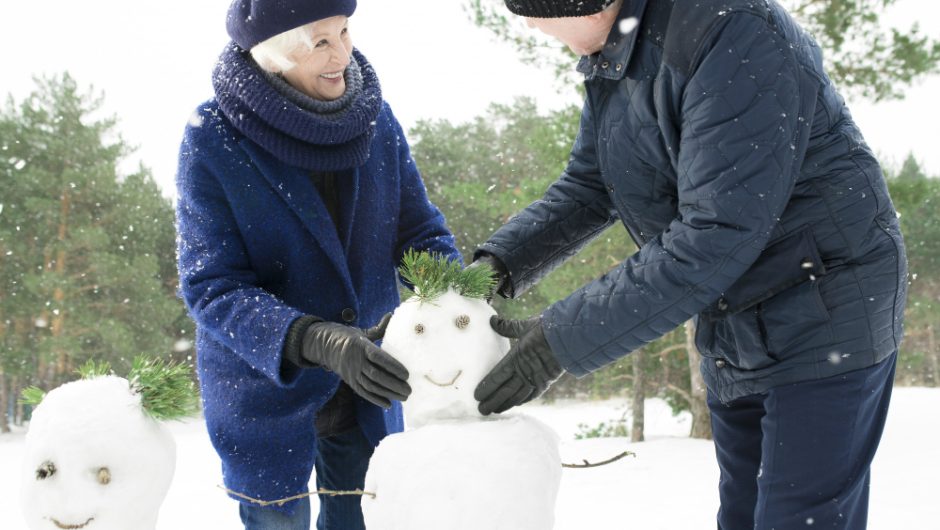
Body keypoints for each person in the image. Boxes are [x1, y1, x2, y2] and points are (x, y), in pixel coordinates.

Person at [472, 0, 908, 528]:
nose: (531, 26)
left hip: (826, 300)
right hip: (736, 314)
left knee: (798, 517)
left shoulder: (729, 28)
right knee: (744, 514)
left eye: (533, 12)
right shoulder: (621, 50)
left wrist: (557, 342)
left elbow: (716, 231)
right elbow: (592, 185)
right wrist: (490, 268)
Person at [174, 1, 459, 528]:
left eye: (345, 31)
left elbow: (419, 233)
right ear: (273, 52)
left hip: (369, 381)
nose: (342, 54)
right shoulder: (212, 137)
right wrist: (316, 339)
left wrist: (459, 303)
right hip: (265, 390)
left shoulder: (375, 118)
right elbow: (212, 286)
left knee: (360, 519)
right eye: (320, 41)